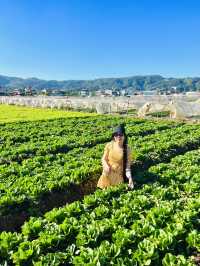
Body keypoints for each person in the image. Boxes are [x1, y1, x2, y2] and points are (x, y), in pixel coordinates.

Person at [97, 124, 134, 189]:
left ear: (124, 136)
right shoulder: (109, 145)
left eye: (120, 135)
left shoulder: (127, 149)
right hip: (107, 173)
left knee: (114, 192)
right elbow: (103, 158)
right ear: (114, 137)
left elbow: (127, 167)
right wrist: (105, 165)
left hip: (117, 176)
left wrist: (130, 179)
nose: (118, 137)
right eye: (116, 135)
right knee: (105, 191)